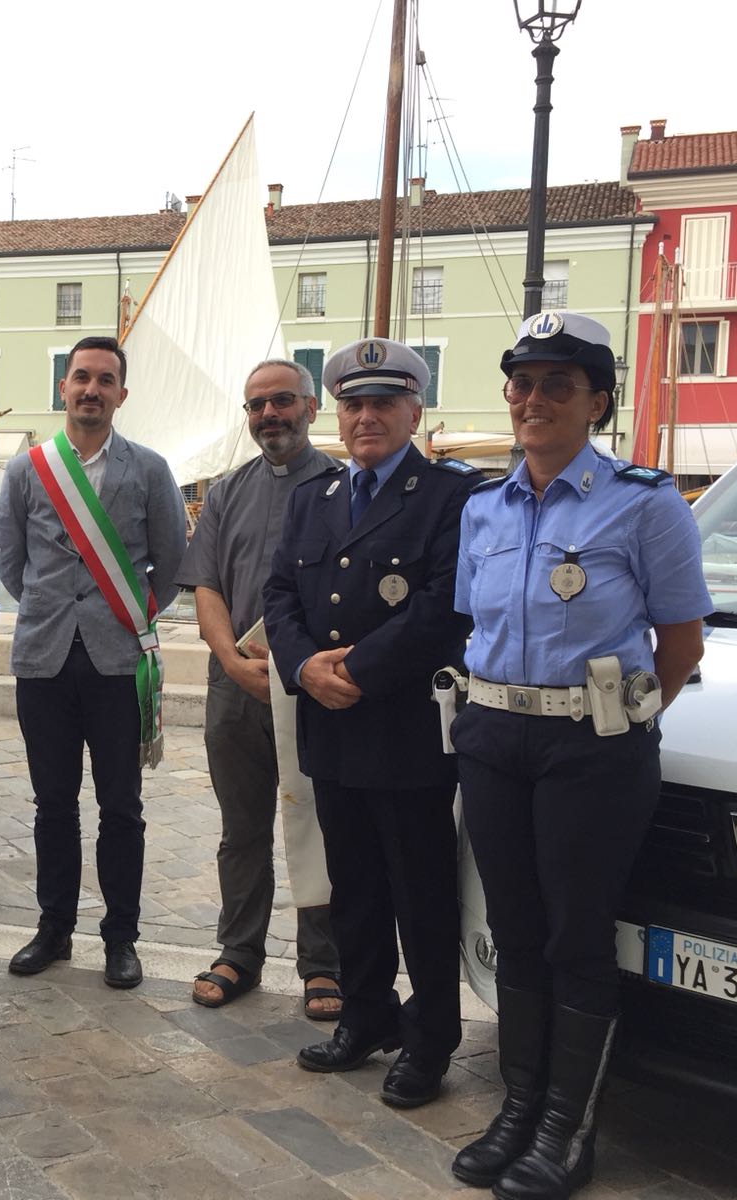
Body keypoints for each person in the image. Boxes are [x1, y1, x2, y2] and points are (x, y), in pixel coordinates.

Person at [448, 312, 709, 1199]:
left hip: (589, 747)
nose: (533, 399)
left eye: (557, 383)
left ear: (597, 399)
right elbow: (473, 623)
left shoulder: (644, 503)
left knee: (575, 936)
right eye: (520, 382)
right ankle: (520, 1105)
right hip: (490, 736)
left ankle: (568, 1124)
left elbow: (679, 645)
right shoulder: (481, 506)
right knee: (513, 927)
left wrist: (613, 724)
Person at [261, 337, 476, 1110]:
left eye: (383, 402)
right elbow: (279, 595)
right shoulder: (314, 499)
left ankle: (430, 1041)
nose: (366, 417)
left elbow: (446, 609)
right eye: (353, 404)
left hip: (406, 733)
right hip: (332, 729)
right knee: (351, 887)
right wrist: (305, 668)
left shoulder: (449, 495)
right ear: (337, 415)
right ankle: (366, 1016)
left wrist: (354, 669)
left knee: (420, 895)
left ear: (415, 410)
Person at [0, 335, 187, 989]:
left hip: (116, 661)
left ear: (121, 394)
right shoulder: (27, 470)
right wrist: (58, 611)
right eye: (81, 377)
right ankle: (53, 930)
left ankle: (120, 938)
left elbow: (170, 559)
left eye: (105, 380)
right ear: (63, 387)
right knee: (53, 805)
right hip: (44, 660)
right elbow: (11, 564)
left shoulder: (151, 469)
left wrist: (126, 617)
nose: (91, 390)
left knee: (121, 807)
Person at [176, 358, 343, 1017]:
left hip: (315, 691)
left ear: (310, 408)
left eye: (281, 402)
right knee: (240, 828)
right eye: (256, 406)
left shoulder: (344, 487)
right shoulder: (225, 491)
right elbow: (207, 585)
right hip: (235, 687)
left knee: (318, 827)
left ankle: (323, 963)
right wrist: (231, 659)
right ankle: (239, 951)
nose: (268, 415)